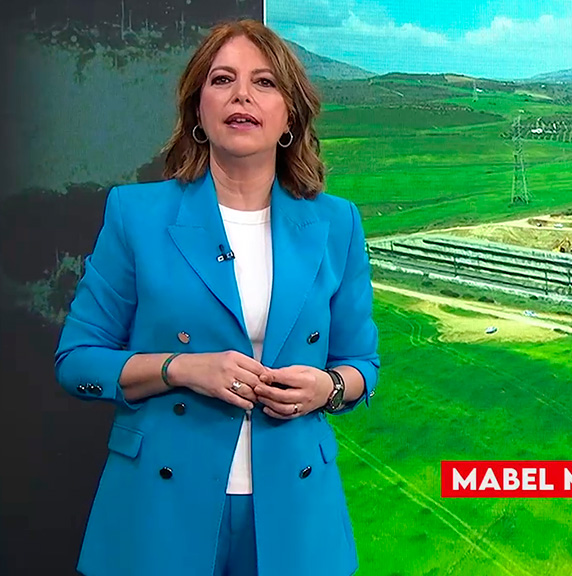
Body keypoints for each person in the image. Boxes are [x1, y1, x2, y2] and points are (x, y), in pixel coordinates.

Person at [54, 19, 379, 576]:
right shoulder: (136, 214)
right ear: (197, 111)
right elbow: (77, 362)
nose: (241, 95)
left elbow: (362, 366)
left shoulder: (337, 224)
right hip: (158, 511)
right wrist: (180, 368)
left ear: (290, 117)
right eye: (222, 79)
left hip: (295, 512)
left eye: (264, 82)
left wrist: (325, 387)